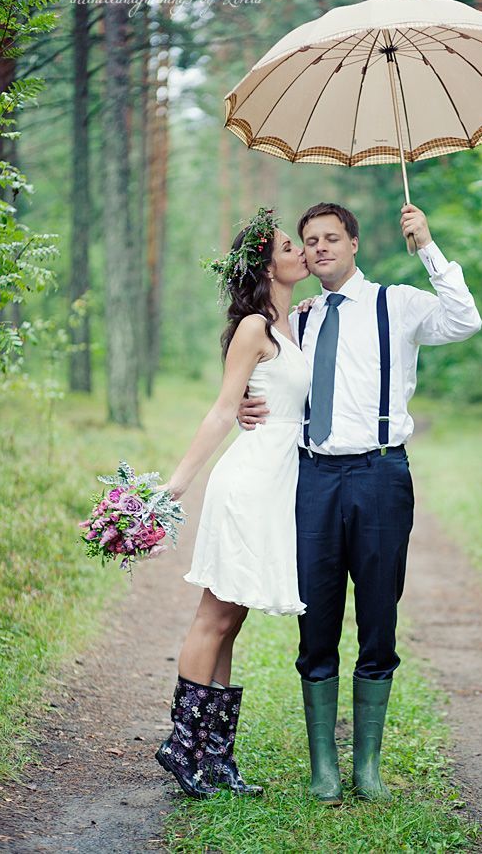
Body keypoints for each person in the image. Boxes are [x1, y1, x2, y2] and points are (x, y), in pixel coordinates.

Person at [238, 201, 482, 805]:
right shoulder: (301, 316)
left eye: (330, 238)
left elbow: (465, 319)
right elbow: (271, 379)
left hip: (379, 475)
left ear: (353, 242)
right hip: (313, 479)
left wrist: (427, 245)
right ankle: (324, 765)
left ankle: (366, 765)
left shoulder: (397, 304)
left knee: (378, 614)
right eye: (308, 240)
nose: (318, 248)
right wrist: (248, 403)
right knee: (315, 619)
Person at [155, 207, 310, 800]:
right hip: (247, 483)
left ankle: (217, 756)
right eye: (289, 244)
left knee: (234, 619)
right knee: (214, 616)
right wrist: (177, 483)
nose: (299, 250)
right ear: (265, 264)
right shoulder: (254, 328)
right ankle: (182, 744)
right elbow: (225, 407)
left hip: (277, 483)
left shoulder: (293, 323)